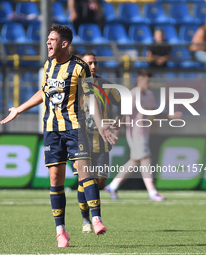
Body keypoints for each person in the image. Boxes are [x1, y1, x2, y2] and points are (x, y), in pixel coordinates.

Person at [1, 24, 114, 247]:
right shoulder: (48, 65)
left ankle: (96, 218)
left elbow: (91, 98)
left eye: (52, 39)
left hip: (75, 128)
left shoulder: (80, 67)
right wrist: (18, 109)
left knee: (85, 172)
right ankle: (61, 231)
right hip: (52, 130)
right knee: (55, 179)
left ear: (64, 43)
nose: (47, 43)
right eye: (47, 39)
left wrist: (101, 126)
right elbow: (43, 93)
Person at [104, 69, 182, 201]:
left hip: (144, 133)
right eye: (148, 81)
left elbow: (154, 112)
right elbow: (123, 114)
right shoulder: (133, 94)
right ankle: (152, 192)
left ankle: (113, 185)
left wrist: (170, 116)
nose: (150, 83)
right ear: (140, 79)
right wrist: (116, 133)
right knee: (146, 158)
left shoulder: (150, 95)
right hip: (135, 133)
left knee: (135, 161)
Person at [77, 52, 121, 233]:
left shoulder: (106, 85)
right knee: (86, 178)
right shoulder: (75, 85)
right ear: (82, 65)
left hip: (102, 140)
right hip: (81, 139)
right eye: (89, 63)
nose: (93, 66)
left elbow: (123, 103)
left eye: (95, 63)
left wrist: (117, 122)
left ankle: (89, 204)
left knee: (100, 182)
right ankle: (87, 220)